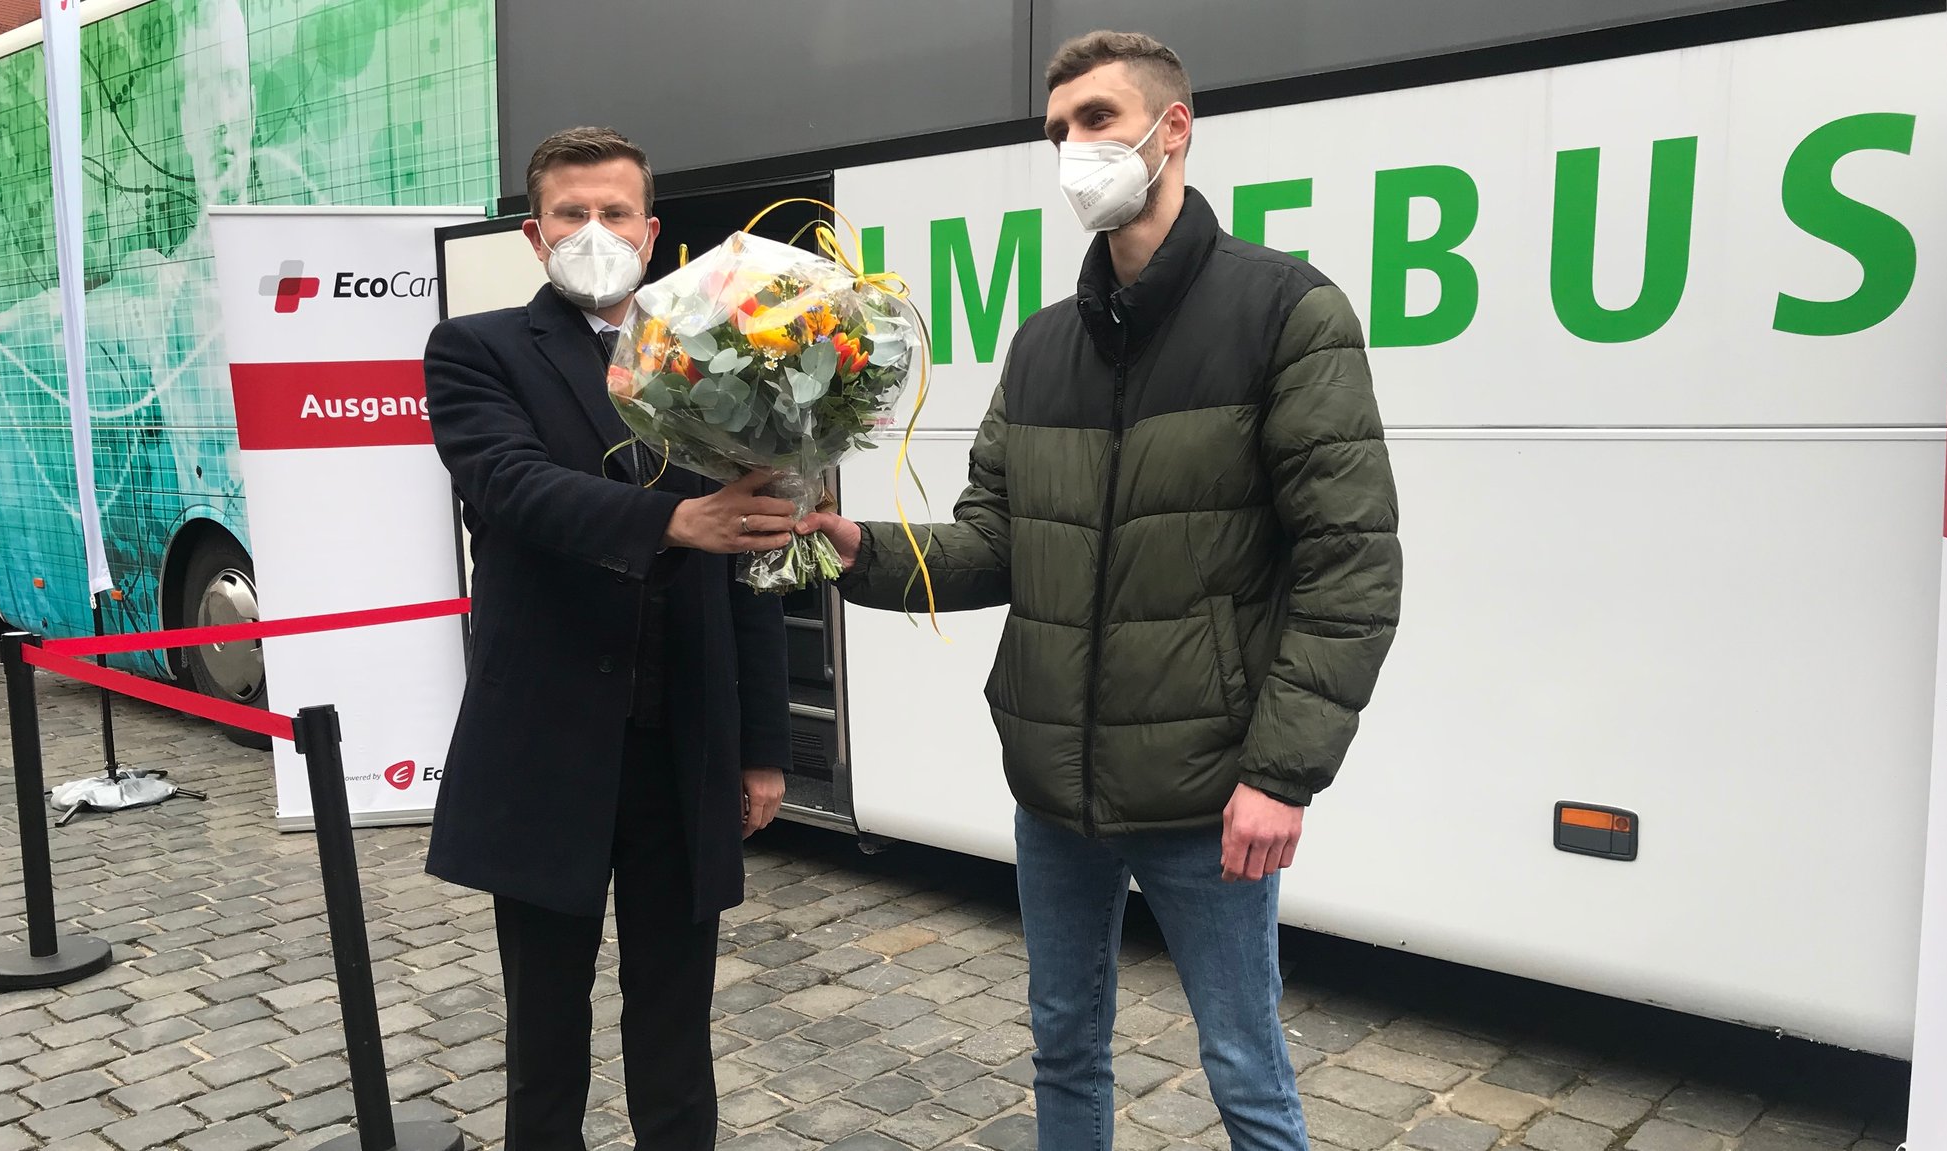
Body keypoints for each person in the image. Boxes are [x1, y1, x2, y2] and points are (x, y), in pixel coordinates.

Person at [800, 31, 1401, 1151]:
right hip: (1053, 790)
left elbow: (1348, 563)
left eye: (1094, 119)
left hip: (1204, 788)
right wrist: (852, 545)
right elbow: (991, 540)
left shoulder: (1283, 313)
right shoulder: (1040, 348)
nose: (1073, 147)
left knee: (1244, 1066)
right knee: (1062, 1039)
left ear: (1171, 129)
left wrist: (1280, 771)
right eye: (1057, 129)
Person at [422, 126, 798, 1151]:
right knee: (546, 1034)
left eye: (615, 213)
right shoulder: (476, 348)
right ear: (535, 236)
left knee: (677, 1029)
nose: (596, 232)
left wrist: (761, 742)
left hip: (682, 743)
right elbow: (510, 487)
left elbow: (751, 554)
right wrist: (675, 520)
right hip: (546, 744)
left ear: (652, 227)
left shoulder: (722, 355)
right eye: (573, 215)